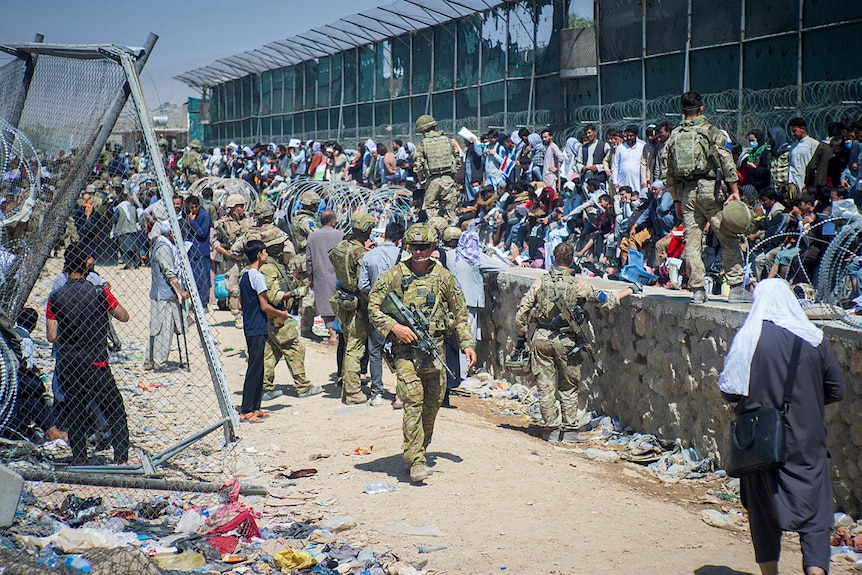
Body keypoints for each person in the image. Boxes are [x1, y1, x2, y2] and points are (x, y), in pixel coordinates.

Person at [718, 279, 844, 575]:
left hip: (761, 440)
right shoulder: (814, 338)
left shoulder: (749, 337)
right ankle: (816, 571)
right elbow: (836, 389)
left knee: (763, 511)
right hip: (807, 439)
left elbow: (729, 391)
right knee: (815, 513)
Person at [368, 223, 476, 483]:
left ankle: (419, 449)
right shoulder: (394, 275)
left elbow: (460, 313)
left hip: (434, 352)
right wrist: (395, 327)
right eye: (414, 247)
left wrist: (467, 345)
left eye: (423, 247)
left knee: (432, 404)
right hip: (405, 352)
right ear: (408, 247)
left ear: (432, 247)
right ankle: (415, 460)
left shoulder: (443, 277)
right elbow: (373, 307)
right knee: (413, 402)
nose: (418, 253)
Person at [514, 242, 636, 443]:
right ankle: (570, 431)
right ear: (572, 260)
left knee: (544, 386)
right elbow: (606, 300)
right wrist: (629, 290)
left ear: (554, 259)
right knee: (568, 386)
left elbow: (523, 312)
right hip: (568, 342)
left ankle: (552, 429)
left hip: (542, 338)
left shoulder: (541, 282)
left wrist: (521, 336)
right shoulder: (579, 285)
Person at [46, 242, 130, 465]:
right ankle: (121, 458)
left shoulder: (55, 297)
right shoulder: (99, 292)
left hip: (69, 363)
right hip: (96, 361)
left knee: (75, 410)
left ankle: (80, 458)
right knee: (114, 408)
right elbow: (124, 316)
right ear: (86, 265)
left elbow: (52, 335)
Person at [663, 91, 748, 304]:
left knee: (692, 242)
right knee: (727, 237)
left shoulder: (674, 135)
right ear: (702, 109)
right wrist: (735, 191)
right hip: (711, 191)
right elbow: (726, 161)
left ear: (682, 111)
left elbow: (667, 173)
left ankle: (698, 290)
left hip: (687, 194)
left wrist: (676, 200)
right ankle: (736, 288)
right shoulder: (712, 132)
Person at [257, 227, 323, 399]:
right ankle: (303, 387)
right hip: (278, 316)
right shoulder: (269, 269)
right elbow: (273, 295)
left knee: (272, 351)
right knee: (294, 348)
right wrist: (295, 293)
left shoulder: (275, 266)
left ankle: (265, 387)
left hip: (275, 317)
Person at [238, 239, 291, 423]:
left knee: (258, 366)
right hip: (257, 326)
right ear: (259, 254)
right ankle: (246, 410)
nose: (267, 255)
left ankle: (256, 406)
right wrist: (281, 314)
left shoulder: (244, 276)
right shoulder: (258, 277)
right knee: (254, 367)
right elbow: (265, 306)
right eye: (265, 252)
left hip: (250, 325)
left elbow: (240, 305)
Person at [330, 212, 375, 404]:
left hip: (343, 299)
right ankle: (353, 391)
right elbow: (364, 282)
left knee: (348, 343)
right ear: (366, 230)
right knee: (355, 349)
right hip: (358, 303)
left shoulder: (341, 246)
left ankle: (348, 386)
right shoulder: (361, 253)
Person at [358, 221, 405, 406]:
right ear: (400, 239)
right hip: (400, 312)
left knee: (375, 351)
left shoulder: (370, 256)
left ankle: (376, 393)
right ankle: (400, 395)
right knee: (402, 352)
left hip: (377, 311)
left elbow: (362, 286)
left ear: (384, 234)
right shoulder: (406, 257)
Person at [6, 308, 67, 443]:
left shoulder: (11, 334)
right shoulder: (26, 340)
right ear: (33, 326)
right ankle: (51, 428)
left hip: (8, 377)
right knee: (36, 390)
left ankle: (47, 429)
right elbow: (25, 363)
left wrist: (38, 372)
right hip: (16, 378)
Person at [146, 222, 189, 371]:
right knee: (164, 329)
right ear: (170, 233)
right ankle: (159, 361)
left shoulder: (162, 244)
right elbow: (169, 273)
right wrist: (181, 291)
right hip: (164, 295)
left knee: (157, 327)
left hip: (162, 293)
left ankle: (151, 360)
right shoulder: (164, 248)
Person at [413, 114, 461, 223]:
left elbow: (418, 167)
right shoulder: (448, 141)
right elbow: (458, 160)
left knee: (431, 211)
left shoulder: (422, 145)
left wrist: (421, 181)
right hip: (448, 180)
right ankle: (451, 235)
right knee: (450, 211)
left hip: (432, 182)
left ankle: (435, 234)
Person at [306, 210, 344, 345]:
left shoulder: (312, 236)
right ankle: (339, 334)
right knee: (339, 305)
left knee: (325, 305)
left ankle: (332, 335)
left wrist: (310, 277)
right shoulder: (341, 235)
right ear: (332, 221)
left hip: (320, 274)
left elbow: (309, 260)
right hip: (339, 276)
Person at [214, 194, 250, 328]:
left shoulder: (248, 221)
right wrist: (227, 253)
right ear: (233, 208)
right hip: (232, 260)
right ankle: (236, 315)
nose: (242, 209)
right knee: (233, 288)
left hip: (247, 258)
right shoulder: (223, 223)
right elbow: (214, 242)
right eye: (239, 206)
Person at [186, 195, 212, 306]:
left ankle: (203, 303)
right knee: (194, 278)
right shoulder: (189, 215)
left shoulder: (204, 216)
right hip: (192, 251)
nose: (194, 209)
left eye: (196, 207)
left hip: (202, 251)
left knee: (203, 279)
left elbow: (202, 233)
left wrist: (192, 222)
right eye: (191, 207)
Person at [111, 189, 140, 269]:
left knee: (123, 248)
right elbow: (137, 219)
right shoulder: (133, 208)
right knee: (134, 249)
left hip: (122, 230)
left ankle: (127, 262)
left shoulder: (119, 208)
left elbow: (114, 219)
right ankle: (136, 263)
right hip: (133, 230)